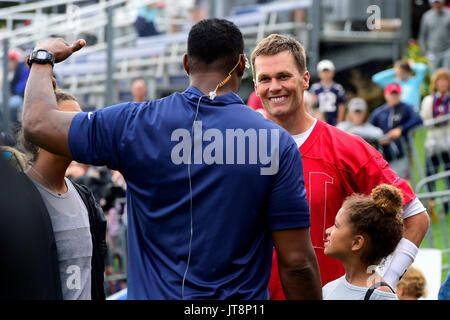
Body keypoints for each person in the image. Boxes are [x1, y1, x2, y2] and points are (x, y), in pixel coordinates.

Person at [22, 19, 322, 300]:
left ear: (186, 63)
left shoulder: (134, 123)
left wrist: (42, 58)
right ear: (242, 65)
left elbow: (37, 124)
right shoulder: (276, 142)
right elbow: (296, 262)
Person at [250, 33, 430, 299]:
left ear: (305, 79)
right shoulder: (238, 151)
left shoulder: (346, 148)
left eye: (284, 76)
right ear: (255, 86)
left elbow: (415, 216)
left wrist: (383, 281)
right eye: (265, 79)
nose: (274, 86)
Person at [20, 83, 107, 300]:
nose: (81, 130)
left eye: (81, 121)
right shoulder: (15, 201)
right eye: (69, 122)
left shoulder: (85, 199)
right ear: (41, 130)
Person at [322, 184, 404, 300]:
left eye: (336, 225)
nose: (328, 231)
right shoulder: (328, 290)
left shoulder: (380, 297)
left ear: (356, 242)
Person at [369, 83, 423, 179]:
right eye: (391, 94)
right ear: (386, 95)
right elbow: (369, 130)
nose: (394, 97)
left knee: (403, 182)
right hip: (383, 156)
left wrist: (401, 129)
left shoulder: (406, 108)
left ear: (400, 94)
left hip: (402, 153)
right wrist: (378, 139)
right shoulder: (378, 113)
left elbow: (418, 119)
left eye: (396, 94)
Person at [419, 68, 450, 211]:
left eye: (445, 80)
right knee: (431, 174)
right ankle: (430, 206)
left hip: (448, 142)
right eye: (440, 80)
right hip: (433, 143)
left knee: (448, 175)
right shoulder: (429, 100)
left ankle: (446, 206)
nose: (443, 83)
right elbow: (424, 119)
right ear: (435, 83)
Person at [310, 59, 346, 126]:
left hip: (333, 119)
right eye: (323, 72)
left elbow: (341, 106)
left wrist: (340, 121)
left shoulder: (338, 88)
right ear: (319, 73)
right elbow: (312, 105)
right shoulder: (315, 88)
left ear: (333, 72)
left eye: (328, 71)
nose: (326, 74)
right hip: (319, 119)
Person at [418, 0, 450, 74]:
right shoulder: (426, 16)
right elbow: (422, 36)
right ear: (430, 3)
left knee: (447, 75)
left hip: (447, 51)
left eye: (438, 1)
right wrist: (426, 53)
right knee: (434, 76)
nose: (436, 4)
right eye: (435, 2)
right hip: (432, 52)